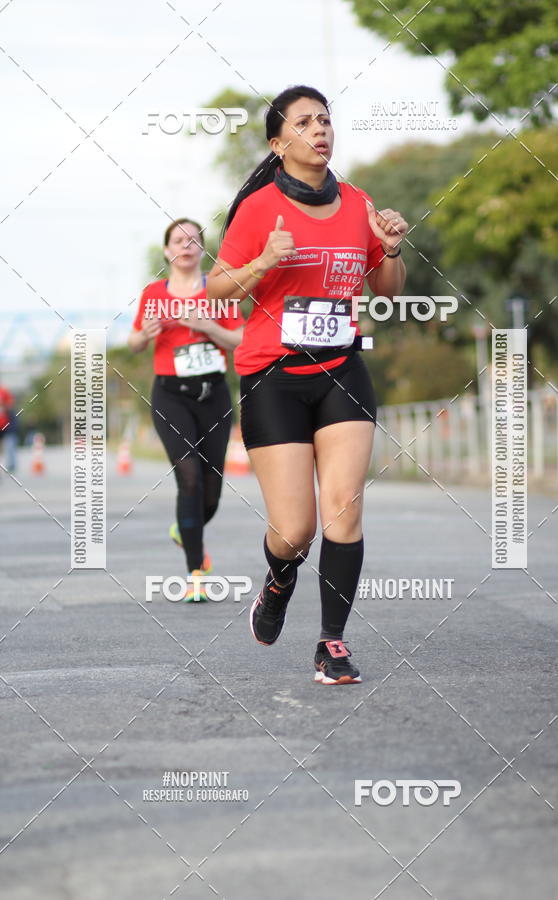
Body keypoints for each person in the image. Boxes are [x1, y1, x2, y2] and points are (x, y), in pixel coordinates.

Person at [206, 85, 407, 683]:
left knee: (343, 513)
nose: (320, 130)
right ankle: (278, 580)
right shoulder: (258, 208)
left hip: (341, 370)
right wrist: (263, 262)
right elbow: (216, 289)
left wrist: (391, 250)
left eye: (325, 119)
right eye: (304, 122)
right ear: (279, 142)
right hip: (272, 377)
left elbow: (387, 290)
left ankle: (332, 643)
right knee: (294, 530)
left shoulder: (358, 202)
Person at [128, 218, 244, 601]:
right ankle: (196, 572)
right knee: (189, 479)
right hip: (170, 395)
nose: (186, 245)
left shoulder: (219, 288)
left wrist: (207, 325)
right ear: (167, 250)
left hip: (213, 395)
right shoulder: (153, 292)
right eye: (179, 240)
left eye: (194, 239)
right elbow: (133, 343)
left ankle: (185, 528)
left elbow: (239, 339)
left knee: (211, 491)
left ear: (202, 249)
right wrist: (145, 334)